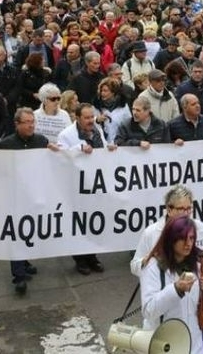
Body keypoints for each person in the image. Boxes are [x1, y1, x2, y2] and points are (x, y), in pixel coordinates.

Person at [0, 108, 59, 294]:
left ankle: (23, 262)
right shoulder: (6, 144)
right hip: (15, 198)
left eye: (33, 121)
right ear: (17, 124)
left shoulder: (41, 141)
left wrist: (57, 151)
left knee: (29, 231)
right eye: (27, 122)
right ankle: (19, 277)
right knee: (17, 233)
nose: (31, 125)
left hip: (35, 196)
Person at [141, 215, 203, 354]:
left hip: (195, 345)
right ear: (171, 239)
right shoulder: (153, 266)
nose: (188, 243)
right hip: (165, 345)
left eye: (191, 238)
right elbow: (149, 310)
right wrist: (176, 289)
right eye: (183, 238)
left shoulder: (200, 261)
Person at [57, 103, 116, 275]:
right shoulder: (66, 135)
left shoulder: (96, 130)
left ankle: (92, 256)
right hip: (77, 187)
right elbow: (60, 157)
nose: (91, 120)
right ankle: (80, 259)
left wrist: (109, 148)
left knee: (93, 222)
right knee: (79, 223)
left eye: (92, 117)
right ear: (77, 118)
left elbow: (102, 148)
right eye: (87, 118)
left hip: (95, 185)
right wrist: (78, 149)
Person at [131, 185, 203, 276]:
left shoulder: (200, 228)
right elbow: (134, 267)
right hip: (161, 285)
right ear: (169, 210)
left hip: (193, 285)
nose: (186, 213)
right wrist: (147, 260)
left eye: (189, 208)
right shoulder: (151, 233)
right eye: (181, 209)